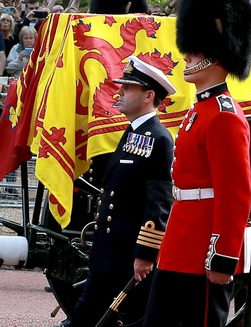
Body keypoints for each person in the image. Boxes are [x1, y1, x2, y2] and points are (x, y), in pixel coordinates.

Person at [144, 0, 251, 327]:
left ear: (216, 56)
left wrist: (223, 258)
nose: (187, 55)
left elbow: (235, 196)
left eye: (194, 50)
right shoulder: (199, 111)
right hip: (179, 241)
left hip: (203, 252)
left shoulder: (225, 117)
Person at [68, 56, 176, 327]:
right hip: (109, 251)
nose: (118, 92)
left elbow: (159, 201)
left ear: (148, 96)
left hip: (128, 255)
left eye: (127, 88)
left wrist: (145, 254)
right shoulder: (132, 133)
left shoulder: (159, 139)